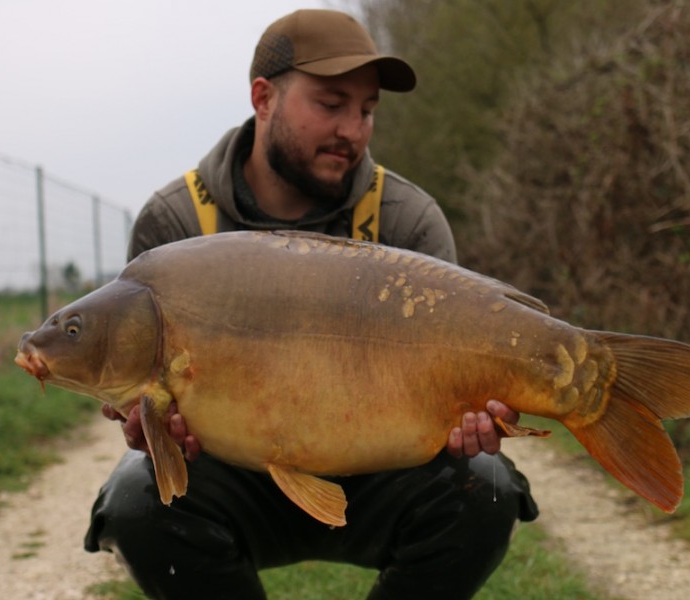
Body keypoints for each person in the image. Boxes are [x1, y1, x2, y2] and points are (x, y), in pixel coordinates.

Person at [85, 9, 537, 600]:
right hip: (231, 478)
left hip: (383, 475)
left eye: (367, 110)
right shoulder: (174, 221)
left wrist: (472, 416)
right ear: (263, 97)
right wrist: (150, 426)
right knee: (135, 502)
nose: (353, 129)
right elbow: (149, 405)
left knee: (488, 488)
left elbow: (460, 390)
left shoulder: (406, 218)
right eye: (331, 104)